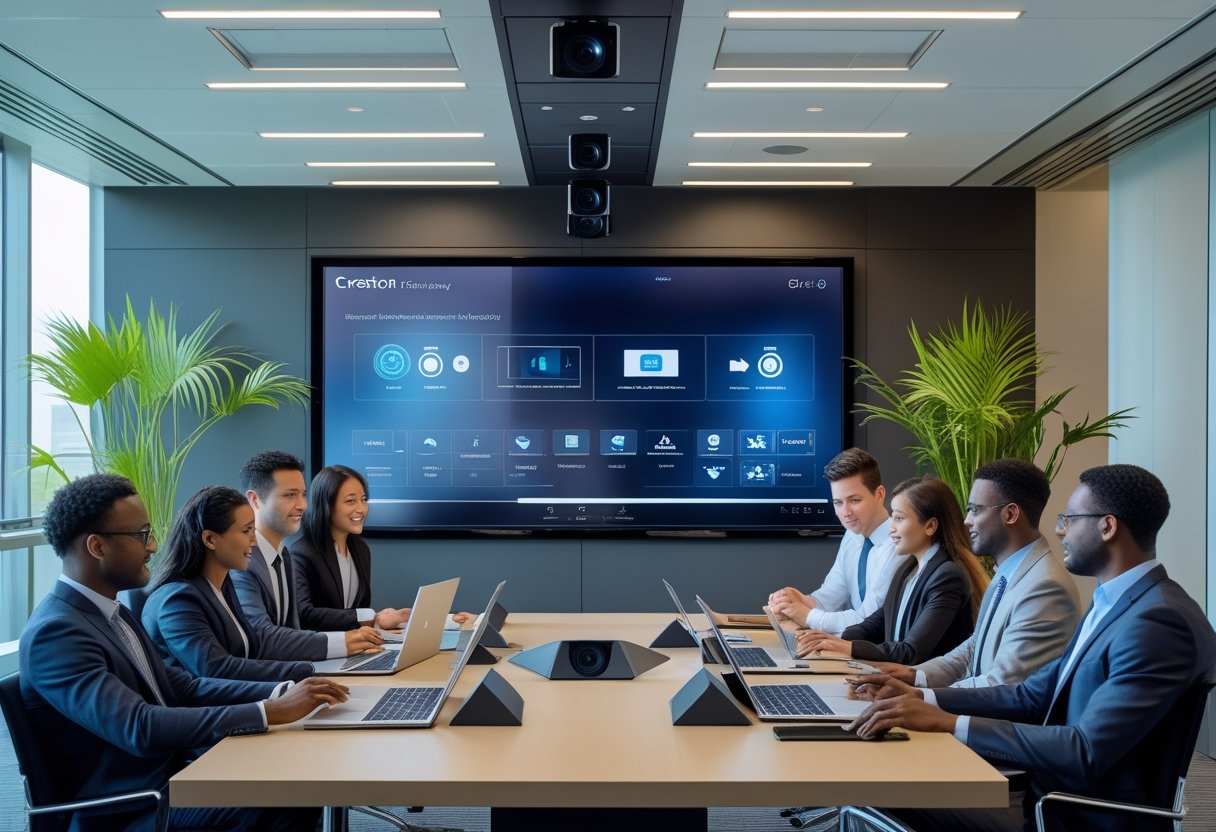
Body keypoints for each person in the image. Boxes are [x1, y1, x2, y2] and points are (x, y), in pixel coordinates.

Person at [848, 464, 1216, 832]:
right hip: (1046, 791)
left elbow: (1085, 749)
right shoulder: (1117, 604)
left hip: (1070, 813)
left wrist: (950, 723)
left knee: (878, 784)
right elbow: (1030, 695)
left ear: (1107, 526)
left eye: (1069, 519)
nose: (1059, 530)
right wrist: (923, 698)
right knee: (882, 772)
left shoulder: (1159, 622)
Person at [18, 473, 348, 832]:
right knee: (289, 795)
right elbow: (139, 726)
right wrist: (268, 711)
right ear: (97, 546)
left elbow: (184, 687)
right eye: (142, 535)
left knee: (297, 774)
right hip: (133, 806)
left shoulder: (111, 612)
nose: (154, 545)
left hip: (176, 773)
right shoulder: (57, 633)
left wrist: (283, 693)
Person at [851, 459, 1080, 693]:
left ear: (1010, 514)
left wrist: (919, 696)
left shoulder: (1044, 587)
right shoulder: (1008, 572)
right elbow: (972, 649)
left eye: (975, 510)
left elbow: (1000, 685)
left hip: (995, 725)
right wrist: (913, 675)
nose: (966, 520)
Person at [797, 476, 988, 664]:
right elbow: (874, 624)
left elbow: (911, 651)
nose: (891, 529)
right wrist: (833, 639)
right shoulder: (907, 569)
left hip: (924, 689)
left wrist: (846, 647)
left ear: (930, 526)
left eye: (899, 518)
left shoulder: (947, 576)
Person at [142, 485, 315, 683]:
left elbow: (251, 654)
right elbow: (216, 669)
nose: (254, 541)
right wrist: (305, 672)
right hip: (213, 710)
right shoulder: (177, 601)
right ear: (210, 539)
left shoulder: (223, 587)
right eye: (246, 531)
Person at [230, 450, 383, 661]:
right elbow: (262, 637)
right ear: (255, 500)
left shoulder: (282, 556)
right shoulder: (241, 563)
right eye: (290, 495)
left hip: (299, 671)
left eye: (303, 494)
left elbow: (294, 630)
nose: (302, 505)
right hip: (269, 684)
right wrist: (345, 642)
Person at [768, 448, 900, 635]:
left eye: (854, 500)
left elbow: (868, 619)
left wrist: (807, 615)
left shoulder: (898, 545)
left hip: (878, 653)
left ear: (879, 495)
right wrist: (802, 601)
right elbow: (833, 596)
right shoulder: (852, 535)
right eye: (838, 503)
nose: (845, 512)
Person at [291, 465, 410, 632]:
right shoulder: (302, 552)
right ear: (327, 506)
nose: (361, 509)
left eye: (363, 499)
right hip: (321, 650)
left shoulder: (361, 549)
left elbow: (357, 610)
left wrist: (386, 620)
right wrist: (370, 617)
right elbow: (304, 614)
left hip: (355, 647)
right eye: (350, 501)